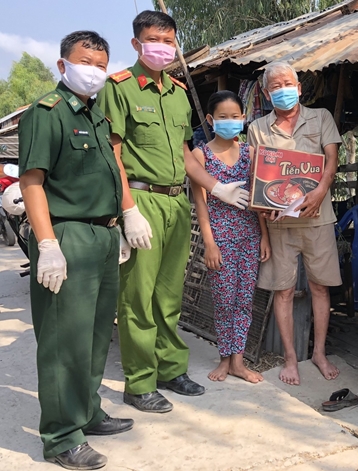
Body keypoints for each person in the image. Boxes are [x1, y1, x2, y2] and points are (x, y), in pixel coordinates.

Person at [97, 10, 249, 413]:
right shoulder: (120, 88)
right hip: (142, 200)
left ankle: (169, 368)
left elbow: (185, 155)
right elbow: (112, 152)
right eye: (154, 40)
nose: (162, 48)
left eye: (168, 41)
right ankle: (140, 382)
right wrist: (128, 209)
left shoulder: (180, 92)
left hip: (176, 202)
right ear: (136, 43)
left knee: (168, 295)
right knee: (137, 296)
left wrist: (217, 186)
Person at [18, 31, 133, 470]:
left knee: (96, 332)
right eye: (86, 61)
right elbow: (32, 182)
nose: (95, 70)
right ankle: (63, 435)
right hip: (67, 235)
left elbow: (109, 174)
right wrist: (47, 244)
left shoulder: (97, 116)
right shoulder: (47, 113)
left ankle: (87, 411)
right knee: (65, 339)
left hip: (103, 237)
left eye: (102, 64)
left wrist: (121, 222)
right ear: (63, 64)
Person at [247, 61, 342, 385]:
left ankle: (319, 353)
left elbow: (332, 159)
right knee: (283, 291)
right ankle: (290, 359)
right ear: (266, 92)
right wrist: (265, 208)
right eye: (275, 86)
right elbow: (257, 177)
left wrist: (321, 191)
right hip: (279, 225)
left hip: (317, 218)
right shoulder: (258, 128)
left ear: (299, 88)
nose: (282, 90)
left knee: (319, 287)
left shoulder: (322, 118)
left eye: (287, 83)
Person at [191, 91, 270, 384]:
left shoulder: (251, 153)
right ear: (211, 120)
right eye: (222, 117)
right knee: (224, 300)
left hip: (249, 235)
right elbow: (200, 203)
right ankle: (225, 357)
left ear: (243, 118)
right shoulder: (201, 155)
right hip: (221, 237)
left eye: (235, 116)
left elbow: (259, 199)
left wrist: (264, 236)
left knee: (244, 300)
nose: (230, 122)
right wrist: (209, 243)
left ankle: (238, 361)